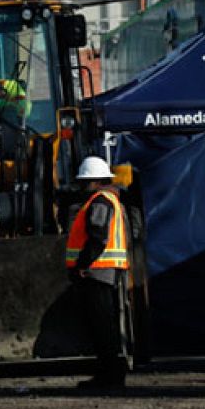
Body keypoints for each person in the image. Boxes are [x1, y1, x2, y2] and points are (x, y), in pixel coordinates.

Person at [66, 155, 133, 390]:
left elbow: (98, 238)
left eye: (85, 182)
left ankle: (110, 377)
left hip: (98, 272)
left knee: (102, 326)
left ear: (95, 181)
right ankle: (109, 375)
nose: (82, 187)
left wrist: (82, 265)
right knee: (103, 325)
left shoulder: (100, 201)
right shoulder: (110, 200)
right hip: (103, 271)